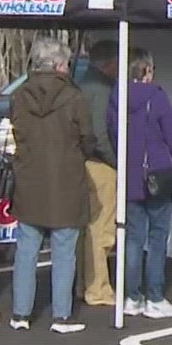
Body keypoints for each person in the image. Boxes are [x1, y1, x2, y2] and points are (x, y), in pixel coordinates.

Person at [7, 38, 96, 333]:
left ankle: (20, 313)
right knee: (64, 250)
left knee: (26, 250)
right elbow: (87, 138)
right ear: (60, 65)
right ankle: (62, 315)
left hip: (29, 177)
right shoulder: (74, 97)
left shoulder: (18, 95)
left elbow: (18, 134)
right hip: (66, 179)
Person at [108, 47, 172, 318]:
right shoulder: (157, 96)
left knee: (132, 238)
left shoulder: (116, 97)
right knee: (158, 236)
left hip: (130, 175)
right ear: (147, 70)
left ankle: (131, 296)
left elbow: (114, 135)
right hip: (157, 172)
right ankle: (155, 296)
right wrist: (169, 157)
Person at [74, 39, 120, 308]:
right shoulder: (103, 89)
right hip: (101, 164)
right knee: (102, 230)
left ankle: (85, 284)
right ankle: (99, 288)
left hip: (84, 162)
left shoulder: (82, 84)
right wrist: (117, 161)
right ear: (111, 63)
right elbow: (101, 134)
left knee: (87, 228)